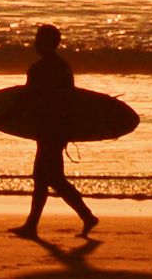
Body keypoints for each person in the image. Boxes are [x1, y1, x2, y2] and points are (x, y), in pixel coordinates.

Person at [13, 23, 98, 237]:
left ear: (46, 43)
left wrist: (6, 116)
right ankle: (81, 217)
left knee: (46, 177)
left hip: (48, 129)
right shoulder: (63, 67)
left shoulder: (39, 69)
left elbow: (28, 98)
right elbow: (71, 99)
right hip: (60, 128)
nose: (34, 43)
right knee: (50, 178)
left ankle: (82, 217)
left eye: (38, 40)